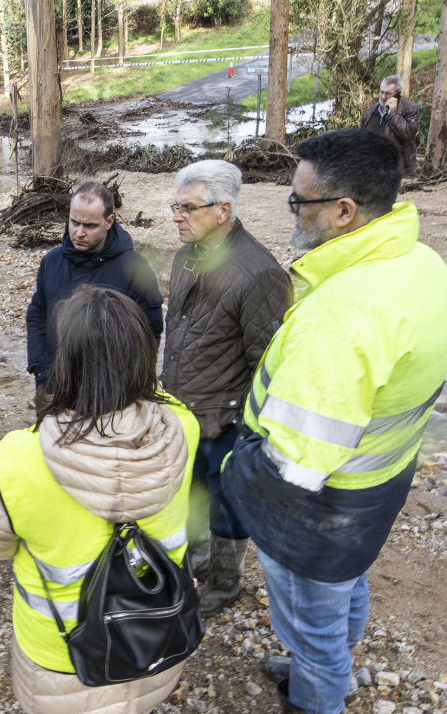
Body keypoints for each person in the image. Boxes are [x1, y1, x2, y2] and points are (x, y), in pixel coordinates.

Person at [222, 129, 447, 714]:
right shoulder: (419, 262)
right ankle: (329, 667)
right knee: (345, 585)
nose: (291, 212)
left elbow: (294, 466)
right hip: (380, 479)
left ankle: (315, 705)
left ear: (344, 210)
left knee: (310, 612)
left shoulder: (346, 315)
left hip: (324, 505)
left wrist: (237, 472)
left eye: (299, 200)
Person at [0, 284, 200, 714]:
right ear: (142, 355)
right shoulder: (182, 426)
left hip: (65, 655)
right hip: (151, 634)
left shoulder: (19, 457)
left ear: (67, 362)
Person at [161, 160, 289, 615]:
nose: (177, 216)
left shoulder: (259, 273)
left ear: (224, 210)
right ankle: (196, 561)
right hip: (182, 409)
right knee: (189, 492)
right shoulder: (184, 258)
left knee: (228, 504)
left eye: (188, 208)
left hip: (227, 419)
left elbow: (267, 363)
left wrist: (247, 428)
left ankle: (225, 578)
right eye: (175, 206)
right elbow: (179, 334)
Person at [26, 182, 163, 393]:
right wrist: (40, 369)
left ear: (109, 222)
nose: (79, 232)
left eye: (90, 226)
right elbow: (36, 314)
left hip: (111, 391)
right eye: (74, 222)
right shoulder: (52, 261)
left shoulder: (135, 268)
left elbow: (150, 332)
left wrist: (130, 384)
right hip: (55, 383)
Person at [360, 74, 420, 176]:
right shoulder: (370, 111)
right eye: (381, 92)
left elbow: (408, 134)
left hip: (398, 172)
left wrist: (392, 114)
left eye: (388, 93)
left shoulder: (410, 109)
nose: (383, 97)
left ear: (399, 93)